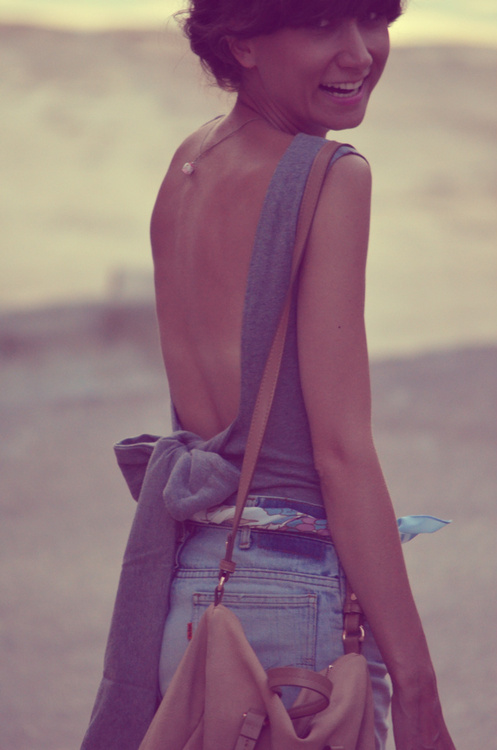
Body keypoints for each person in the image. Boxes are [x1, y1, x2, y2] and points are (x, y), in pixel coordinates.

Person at [81, 1, 457, 749]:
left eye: (372, 19)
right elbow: (339, 454)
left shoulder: (189, 164)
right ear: (243, 45)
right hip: (287, 606)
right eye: (321, 25)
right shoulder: (329, 175)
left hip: (193, 591)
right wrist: (418, 690)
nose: (359, 53)